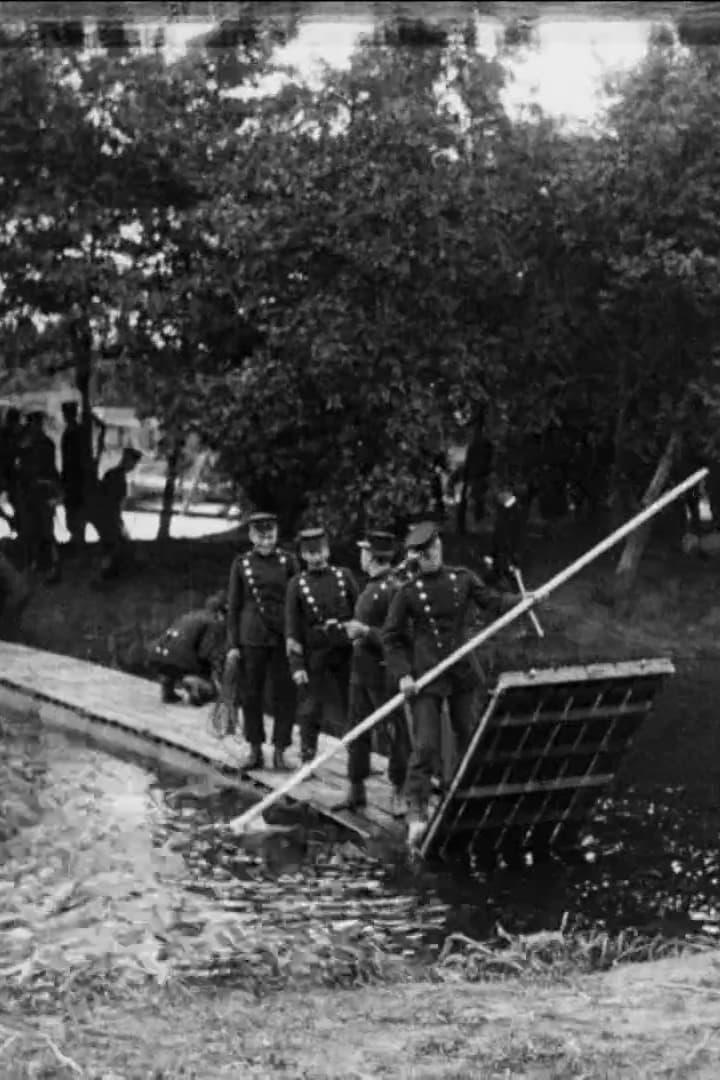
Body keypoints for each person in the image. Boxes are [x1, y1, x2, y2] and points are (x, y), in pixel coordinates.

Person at [382, 521, 519, 848]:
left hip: (461, 671)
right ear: (416, 557)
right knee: (426, 745)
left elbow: (493, 602)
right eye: (422, 554)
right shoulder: (408, 592)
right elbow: (391, 638)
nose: (430, 557)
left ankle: (471, 796)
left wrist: (525, 600)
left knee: (469, 733)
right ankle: (417, 808)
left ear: (440, 547)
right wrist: (403, 674)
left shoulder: (462, 578)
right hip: (427, 676)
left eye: (433, 549)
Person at [333, 530, 411, 816]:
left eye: (364, 551)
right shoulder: (372, 586)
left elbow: (401, 637)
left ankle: (400, 790)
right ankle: (356, 788)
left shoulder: (393, 590)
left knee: (394, 733)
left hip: (384, 674)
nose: (361, 556)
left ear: (373, 556)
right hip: (360, 671)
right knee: (356, 730)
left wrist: (366, 632)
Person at [225, 511, 300, 770]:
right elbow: (233, 606)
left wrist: (295, 636)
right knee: (251, 694)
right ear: (251, 535)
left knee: (285, 694)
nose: (266, 541)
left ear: (276, 534)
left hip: (282, 637)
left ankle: (280, 751)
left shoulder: (288, 561)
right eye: (260, 535)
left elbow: (296, 601)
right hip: (251, 638)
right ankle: (255, 749)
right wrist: (233, 644)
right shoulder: (241, 564)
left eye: (270, 535)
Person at [285, 526, 359, 764]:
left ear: (327, 551)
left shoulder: (343, 576)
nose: (316, 558)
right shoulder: (297, 584)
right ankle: (308, 754)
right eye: (310, 553)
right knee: (310, 705)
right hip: (314, 652)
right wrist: (297, 665)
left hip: (345, 649)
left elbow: (359, 611)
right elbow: (292, 627)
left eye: (320, 551)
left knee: (354, 702)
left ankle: (358, 755)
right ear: (303, 555)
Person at [150, 592, 227, 704]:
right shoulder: (214, 621)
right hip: (178, 661)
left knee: (171, 659)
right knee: (211, 691)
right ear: (220, 612)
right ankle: (191, 682)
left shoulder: (189, 615)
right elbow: (205, 652)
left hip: (156, 656)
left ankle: (167, 692)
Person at [16, 411, 61, 583]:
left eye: (34, 424)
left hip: (43, 492)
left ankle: (53, 568)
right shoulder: (30, 445)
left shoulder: (43, 445)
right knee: (36, 531)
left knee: (47, 532)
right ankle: (42, 565)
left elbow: (48, 470)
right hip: (33, 493)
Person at [91, 447, 142, 579]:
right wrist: (116, 518)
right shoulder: (116, 476)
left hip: (108, 514)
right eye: (133, 463)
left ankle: (106, 572)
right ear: (127, 460)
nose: (134, 467)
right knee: (111, 545)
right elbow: (114, 499)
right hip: (108, 515)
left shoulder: (114, 474)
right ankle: (101, 574)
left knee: (113, 544)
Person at [60, 401, 86, 549]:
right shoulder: (71, 432)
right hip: (70, 479)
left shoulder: (75, 433)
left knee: (75, 512)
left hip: (76, 479)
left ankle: (77, 541)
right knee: (71, 512)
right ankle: (75, 540)